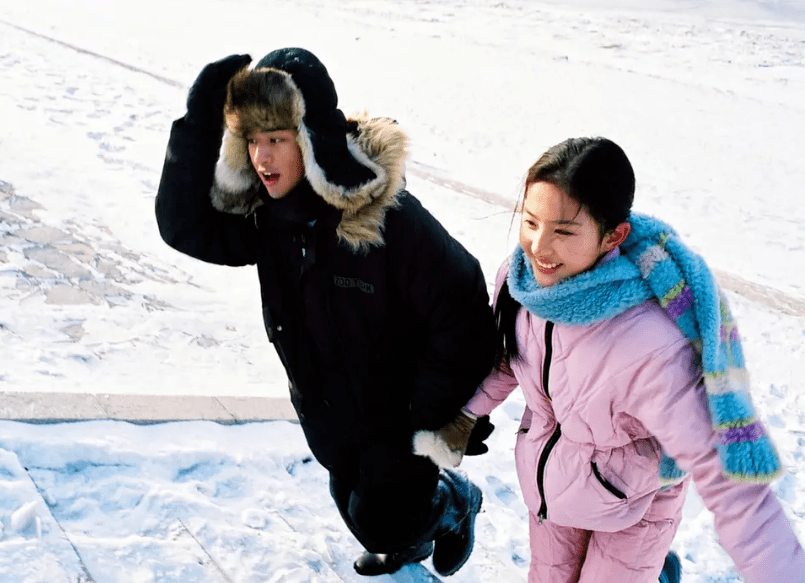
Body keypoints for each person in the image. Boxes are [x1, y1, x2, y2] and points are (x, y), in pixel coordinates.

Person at [154, 48, 497, 577]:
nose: (263, 158)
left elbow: (465, 308)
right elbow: (185, 228)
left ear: (312, 140)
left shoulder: (385, 221)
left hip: (401, 417)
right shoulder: (267, 220)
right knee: (357, 507)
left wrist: (428, 420)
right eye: (254, 141)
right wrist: (197, 123)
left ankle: (451, 504)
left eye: (278, 140)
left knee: (383, 519)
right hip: (329, 410)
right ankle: (407, 528)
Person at [416, 137, 805, 582]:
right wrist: (466, 415)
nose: (539, 246)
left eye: (563, 231)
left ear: (613, 236)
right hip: (554, 486)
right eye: (530, 221)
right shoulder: (520, 281)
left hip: (636, 505)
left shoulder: (649, 342)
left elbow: (726, 476)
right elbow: (511, 357)